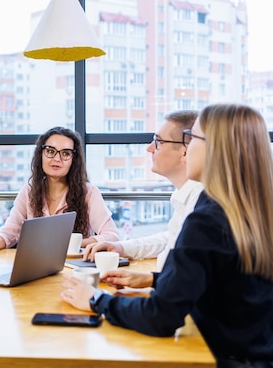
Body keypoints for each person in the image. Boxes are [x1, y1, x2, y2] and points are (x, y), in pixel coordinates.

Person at [61, 103, 273, 368]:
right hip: (272, 360)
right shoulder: (249, 210)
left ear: (215, 149)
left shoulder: (208, 219)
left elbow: (162, 319)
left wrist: (95, 299)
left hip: (228, 363)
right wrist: (159, 281)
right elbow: (226, 283)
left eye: (193, 137)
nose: (188, 147)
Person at [83, 110, 202, 271]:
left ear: (184, 152)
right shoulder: (187, 195)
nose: (149, 148)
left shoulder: (201, 204)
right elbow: (171, 239)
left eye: (158, 141)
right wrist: (122, 248)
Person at [0, 126, 119, 255]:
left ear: (73, 160)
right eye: (50, 151)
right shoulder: (28, 191)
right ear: (41, 155)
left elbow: (112, 236)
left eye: (65, 153)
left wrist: (76, 244)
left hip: (75, 269)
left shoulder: (89, 192)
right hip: (35, 266)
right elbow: (9, 232)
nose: (57, 159)